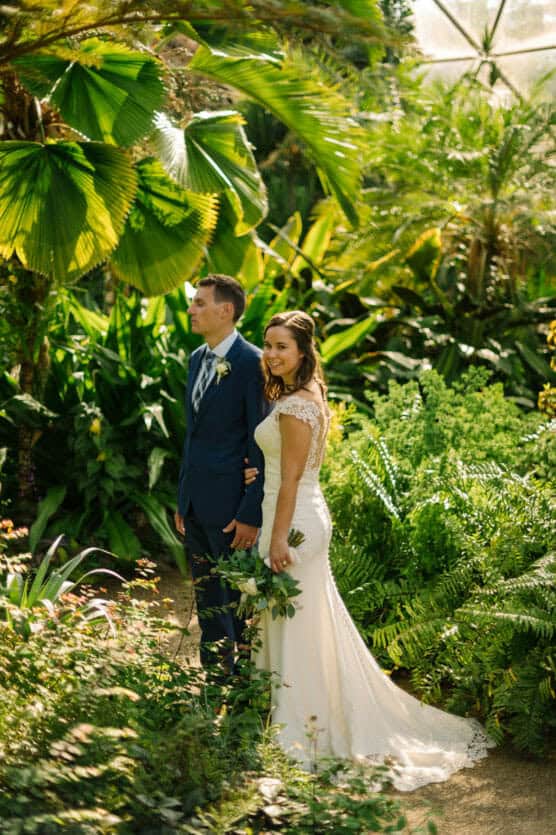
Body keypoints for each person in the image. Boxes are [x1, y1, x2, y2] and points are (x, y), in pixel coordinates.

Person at [247, 310, 494, 791]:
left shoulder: (297, 406)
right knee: (306, 625)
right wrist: (262, 473)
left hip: (292, 522)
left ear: (302, 353)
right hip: (297, 511)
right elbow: (288, 467)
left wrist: (277, 537)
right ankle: (297, 722)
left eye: (282, 347)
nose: (272, 355)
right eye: (268, 345)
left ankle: (301, 735)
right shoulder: (307, 396)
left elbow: (294, 477)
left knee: (296, 627)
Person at [175, 274, 267, 674]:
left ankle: (246, 692)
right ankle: (215, 685)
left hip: (232, 510)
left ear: (225, 310)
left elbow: (259, 441)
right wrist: (183, 500)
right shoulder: (197, 359)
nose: (191, 309)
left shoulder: (252, 364)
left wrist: (251, 513)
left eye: (199, 302)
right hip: (196, 505)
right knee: (208, 602)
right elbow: (192, 437)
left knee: (237, 602)